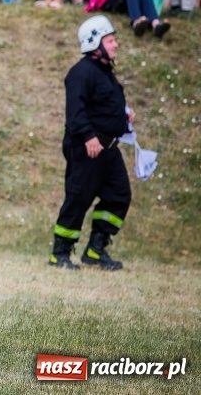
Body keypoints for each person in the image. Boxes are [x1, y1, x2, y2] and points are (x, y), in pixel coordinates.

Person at [50, 15, 133, 271]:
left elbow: (106, 104)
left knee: (119, 195)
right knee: (78, 198)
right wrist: (88, 136)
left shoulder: (106, 73)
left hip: (109, 149)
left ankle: (96, 250)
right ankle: (60, 253)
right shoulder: (81, 72)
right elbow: (75, 111)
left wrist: (124, 115)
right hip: (88, 148)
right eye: (110, 40)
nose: (115, 44)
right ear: (94, 42)